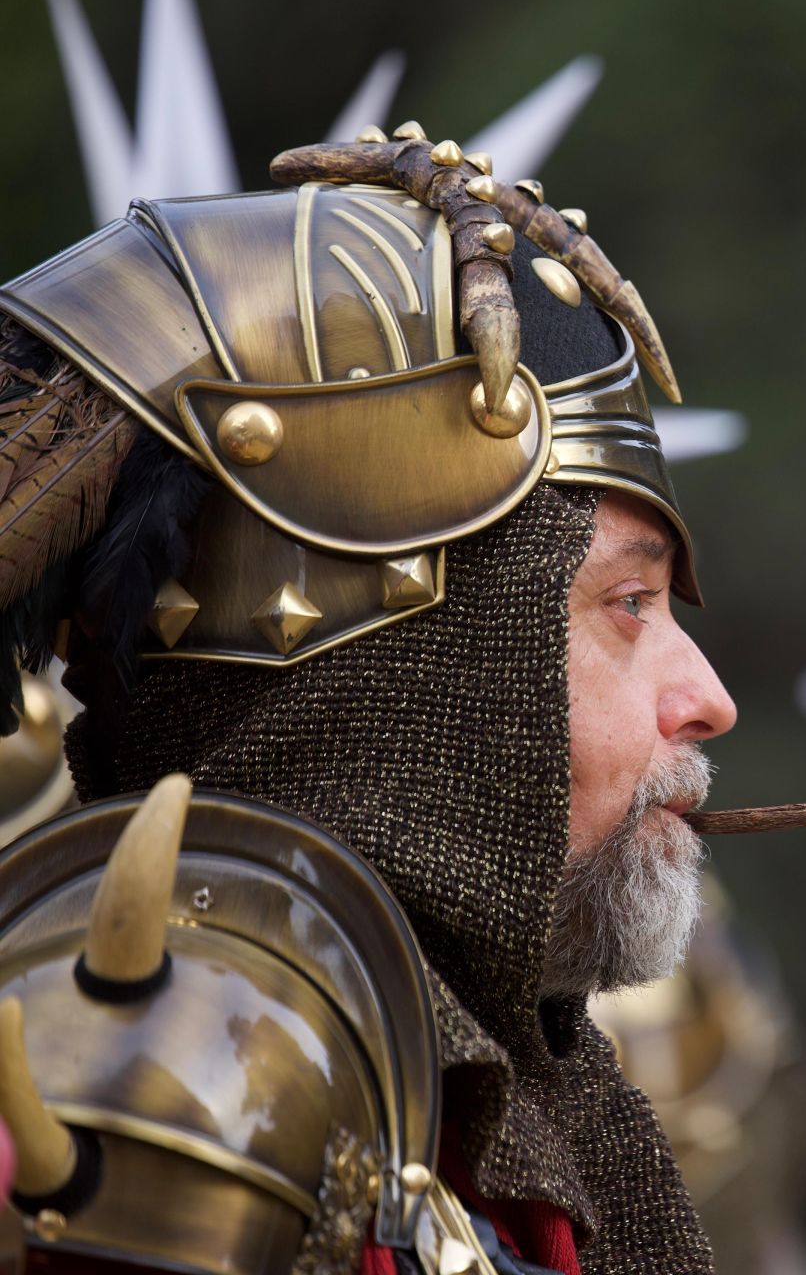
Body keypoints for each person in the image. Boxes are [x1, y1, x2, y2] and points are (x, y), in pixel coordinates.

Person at [0, 124, 736, 1274]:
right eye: (629, 603)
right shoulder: (196, 1080)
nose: (708, 698)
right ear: (413, 667)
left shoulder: (486, 1119)